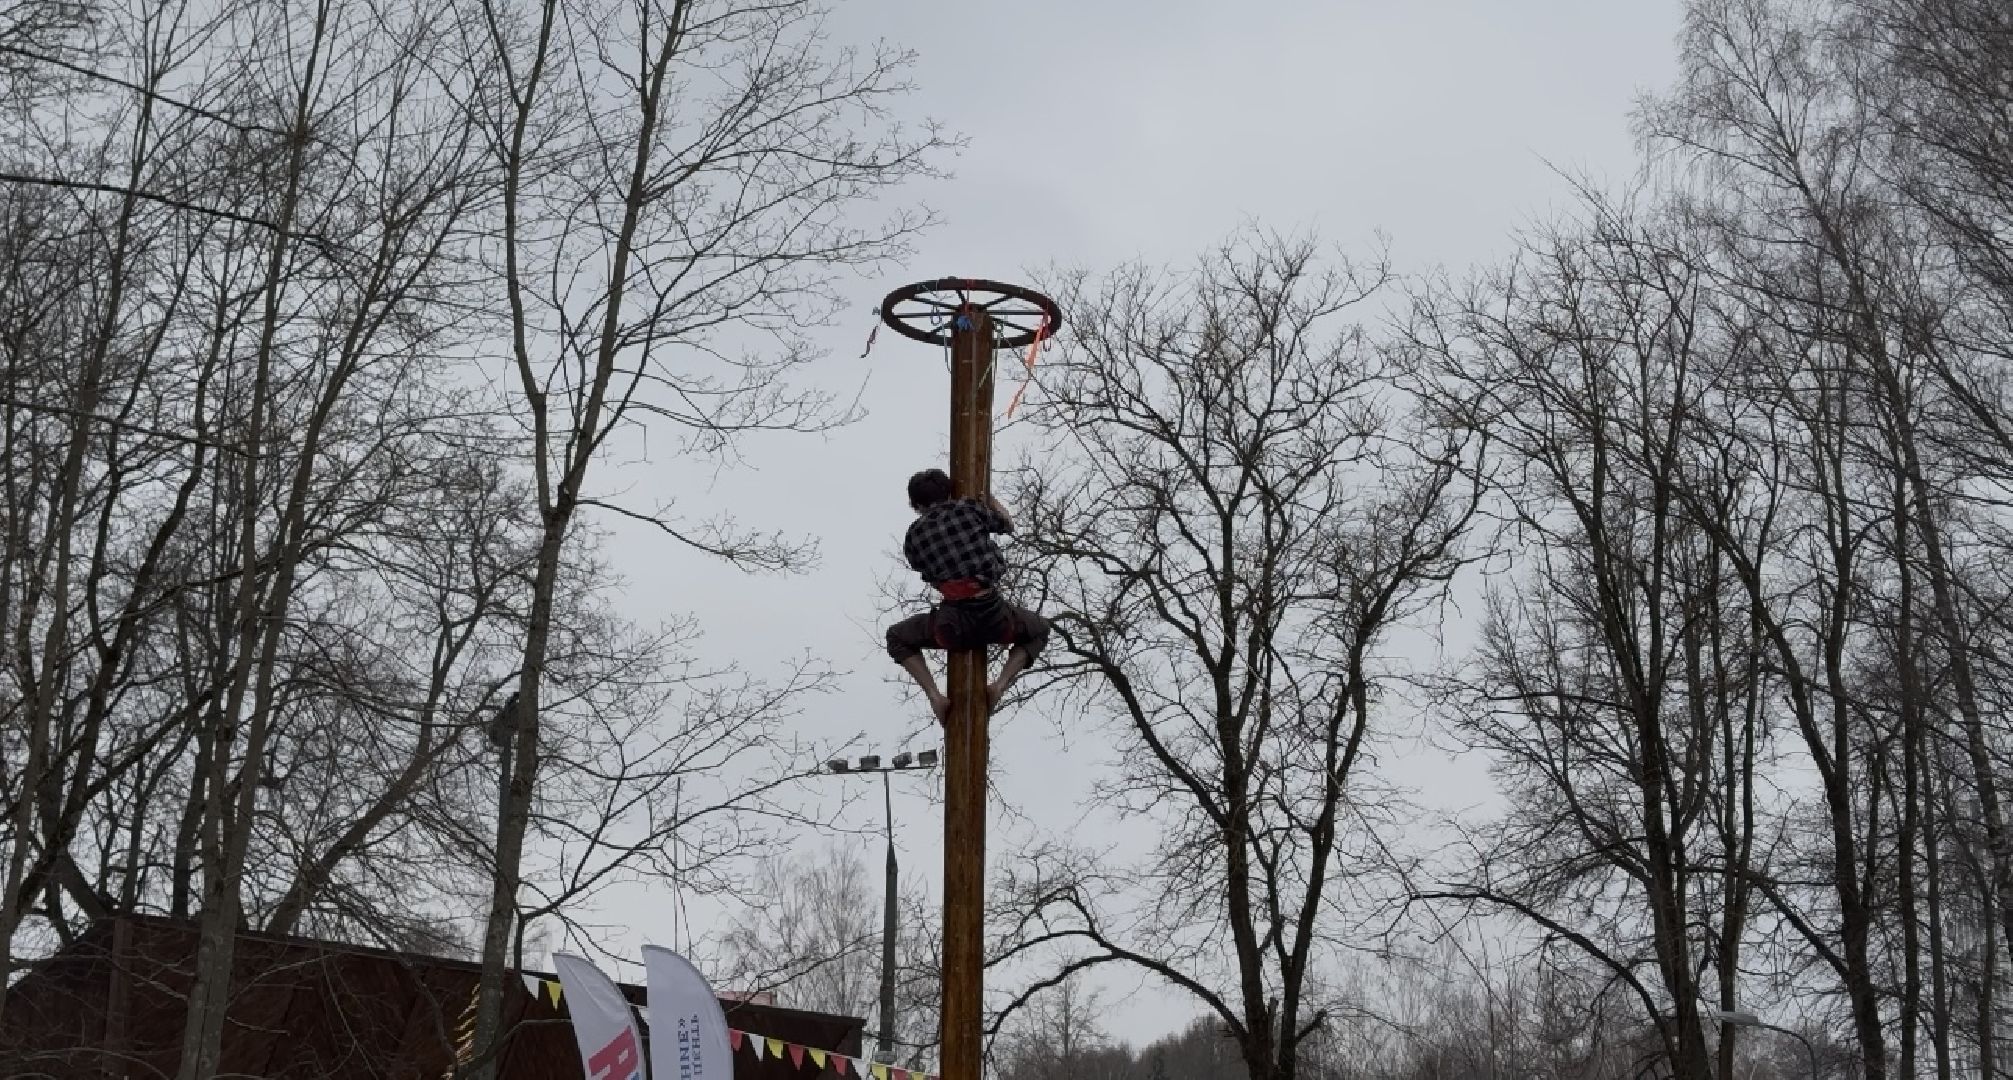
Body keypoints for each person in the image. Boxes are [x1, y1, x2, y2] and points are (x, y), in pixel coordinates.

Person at [886, 468, 1050, 722]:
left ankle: (935, 696)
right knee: (1039, 629)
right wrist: (992, 502)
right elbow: (1007, 524)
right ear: (949, 492)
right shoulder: (969, 509)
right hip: (995, 618)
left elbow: (923, 569)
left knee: (897, 636)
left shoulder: (913, 536)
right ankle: (1000, 684)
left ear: (916, 504)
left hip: (951, 627)